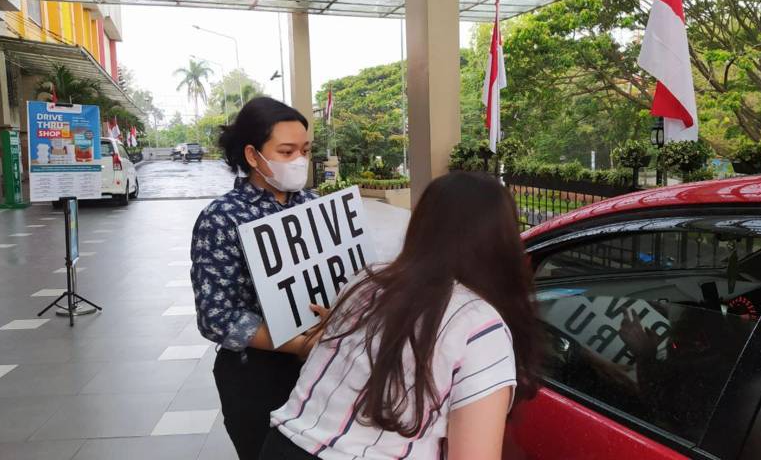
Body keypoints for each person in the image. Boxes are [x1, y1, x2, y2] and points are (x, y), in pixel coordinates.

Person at [260, 172, 542, 460]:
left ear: (422, 226)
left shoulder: (366, 281)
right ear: (503, 242)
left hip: (283, 446)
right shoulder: (480, 326)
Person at [190, 97, 324, 460]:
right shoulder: (221, 218)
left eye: (305, 150)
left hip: (321, 366)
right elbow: (216, 316)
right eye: (286, 151)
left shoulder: (314, 205)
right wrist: (295, 344)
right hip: (257, 377)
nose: (299, 159)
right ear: (253, 156)